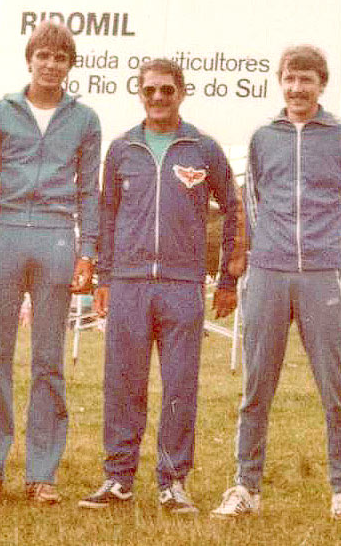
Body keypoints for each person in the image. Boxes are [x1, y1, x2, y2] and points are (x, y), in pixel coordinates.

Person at [211, 45, 341, 522]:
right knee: (256, 386)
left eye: (306, 79)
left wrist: (332, 246)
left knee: (335, 388)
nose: (297, 88)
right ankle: (246, 486)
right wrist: (266, 249)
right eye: (290, 79)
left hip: (322, 274)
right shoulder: (263, 136)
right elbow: (253, 201)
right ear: (280, 82)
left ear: (321, 84)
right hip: (268, 273)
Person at [78, 59, 245, 514]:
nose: (157, 97)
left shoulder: (202, 148)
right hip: (129, 284)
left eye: (166, 90)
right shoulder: (122, 149)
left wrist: (228, 277)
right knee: (122, 383)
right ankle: (118, 479)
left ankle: (173, 482)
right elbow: (107, 214)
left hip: (182, 285)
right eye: (149, 89)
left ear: (181, 92)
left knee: (179, 387)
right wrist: (105, 277)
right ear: (140, 93)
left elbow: (234, 208)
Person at [0, 21, 101, 505]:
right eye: (43, 55)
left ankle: (43, 473)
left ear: (70, 65)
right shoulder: (0, 113)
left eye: (60, 57)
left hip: (57, 235)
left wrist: (88, 251)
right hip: (4, 231)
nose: (50, 65)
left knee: (48, 360)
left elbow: (89, 191)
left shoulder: (85, 119)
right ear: (29, 60)